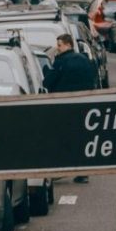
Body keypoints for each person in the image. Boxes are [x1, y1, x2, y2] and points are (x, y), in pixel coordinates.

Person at [43, 34, 98, 182]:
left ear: (68, 45)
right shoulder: (85, 60)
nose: (58, 49)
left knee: (62, 138)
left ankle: (59, 170)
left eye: (59, 45)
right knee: (80, 138)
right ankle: (82, 173)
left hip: (64, 106)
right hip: (83, 105)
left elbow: (48, 82)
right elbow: (93, 81)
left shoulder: (61, 62)